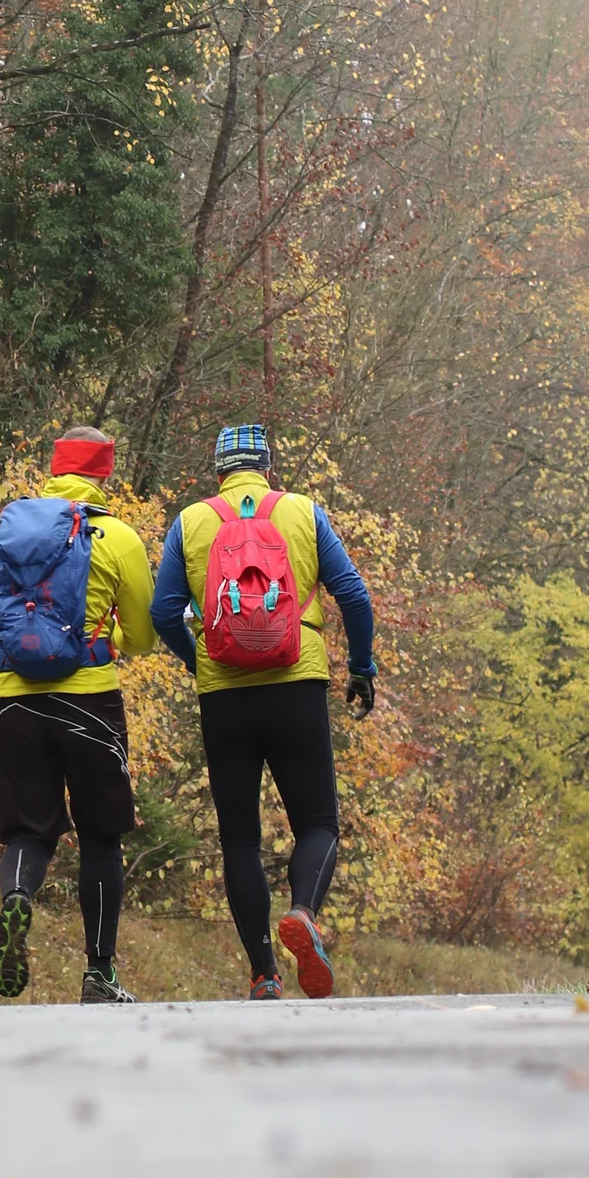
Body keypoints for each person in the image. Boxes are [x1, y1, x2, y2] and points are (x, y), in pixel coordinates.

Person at [150, 423, 377, 1000]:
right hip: (296, 683)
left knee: (239, 840)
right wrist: (362, 669)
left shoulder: (191, 521)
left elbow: (163, 611)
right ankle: (302, 912)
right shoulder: (303, 512)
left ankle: (263, 975)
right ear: (268, 467)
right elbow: (353, 594)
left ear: (219, 471)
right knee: (319, 822)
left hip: (223, 692)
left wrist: (198, 659)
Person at [0, 426, 159, 1006]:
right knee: (101, 837)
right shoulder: (119, 538)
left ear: (53, 469)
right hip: (89, 701)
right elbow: (141, 636)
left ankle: (16, 898)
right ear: (105, 474)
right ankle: (99, 974)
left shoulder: (6, 533)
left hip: (12, 697)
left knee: (27, 830)